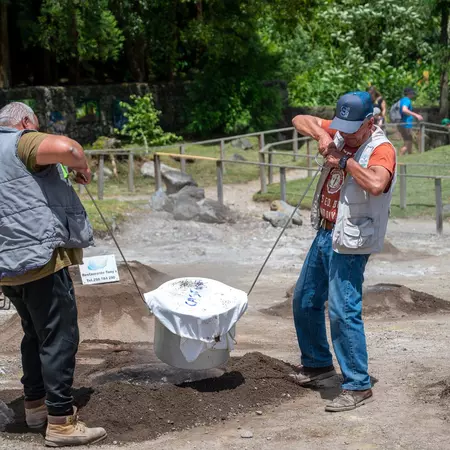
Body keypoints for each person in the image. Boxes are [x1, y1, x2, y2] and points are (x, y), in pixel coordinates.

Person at [0, 102, 107, 446]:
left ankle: (35, 407)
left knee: (34, 333)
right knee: (60, 336)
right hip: (40, 258)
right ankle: (61, 421)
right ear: (27, 122)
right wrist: (83, 165)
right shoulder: (21, 140)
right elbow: (69, 149)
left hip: (9, 263)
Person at [290, 91, 396, 412]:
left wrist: (345, 161)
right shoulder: (339, 131)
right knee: (305, 298)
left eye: (352, 128)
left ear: (369, 122)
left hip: (351, 239)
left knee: (342, 308)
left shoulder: (381, 149)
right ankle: (318, 365)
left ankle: (358, 384)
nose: (345, 134)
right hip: (325, 229)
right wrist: (323, 135)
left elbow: (377, 184)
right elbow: (299, 120)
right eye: (341, 126)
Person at [398, 87, 423, 155]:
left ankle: (410, 155)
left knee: (409, 141)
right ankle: (399, 157)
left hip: (403, 124)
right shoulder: (407, 100)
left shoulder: (402, 100)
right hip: (406, 124)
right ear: (409, 93)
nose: (413, 95)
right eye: (412, 93)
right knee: (407, 143)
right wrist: (416, 115)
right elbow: (404, 110)